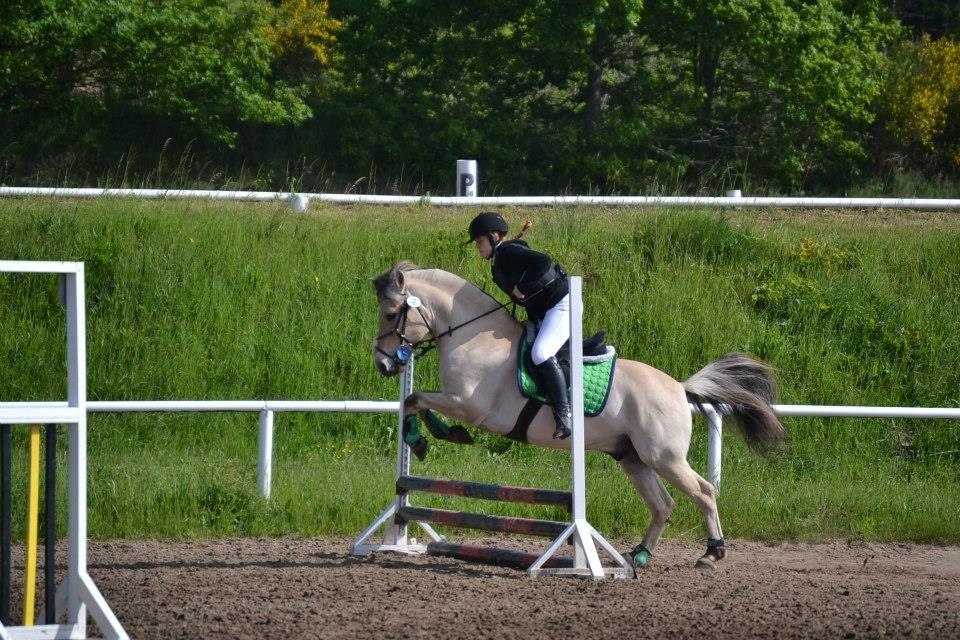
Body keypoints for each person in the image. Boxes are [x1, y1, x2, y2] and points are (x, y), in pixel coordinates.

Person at [466, 211, 572, 440]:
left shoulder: (507, 251)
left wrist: (522, 287)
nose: (478, 247)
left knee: (541, 353)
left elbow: (543, 261)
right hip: (542, 311)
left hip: (562, 305)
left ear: (494, 237)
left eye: (480, 241)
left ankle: (564, 413)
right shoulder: (499, 259)